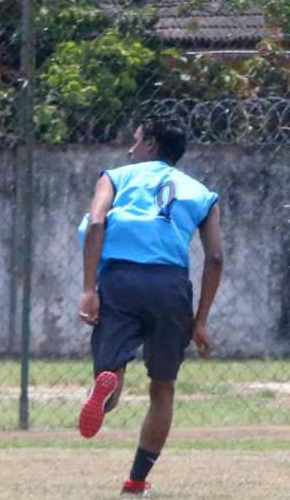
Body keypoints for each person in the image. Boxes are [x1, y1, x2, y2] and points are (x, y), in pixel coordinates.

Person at [76, 114, 223, 497]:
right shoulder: (201, 193)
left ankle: (106, 390)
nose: (130, 148)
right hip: (169, 286)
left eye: (137, 140)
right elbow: (216, 258)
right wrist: (201, 320)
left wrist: (89, 289)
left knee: (110, 375)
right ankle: (136, 480)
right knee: (163, 388)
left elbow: (95, 223)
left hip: (120, 280)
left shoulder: (116, 176)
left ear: (152, 145)